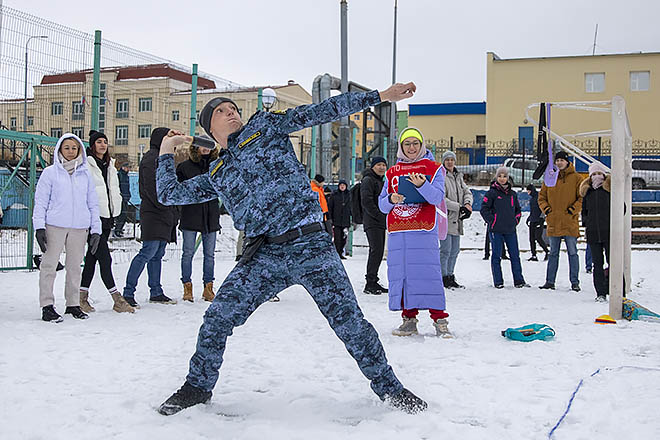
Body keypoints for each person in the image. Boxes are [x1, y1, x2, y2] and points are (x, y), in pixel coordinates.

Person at [154, 83, 427, 416]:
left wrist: (380, 97)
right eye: (223, 111)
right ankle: (197, 387)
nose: (232, 113)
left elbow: (321, 111)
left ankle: (392, 390)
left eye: (234, 109)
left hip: (311, 244)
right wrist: (167, 150)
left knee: (350, 323)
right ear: (210, 127)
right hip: (265, 255)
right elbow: (169, 194)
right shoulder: (217, 173)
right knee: (217, 317)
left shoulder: (266, 126)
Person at [378, 127, 452, 337]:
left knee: (428, 275)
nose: (411, 148)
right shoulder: (392, 171)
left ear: (422, 145)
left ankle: (440, 320)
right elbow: (382, 205)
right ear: (401, 146)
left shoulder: (434, 168)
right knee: (403, 276)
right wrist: (391, 200)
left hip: (423, 229)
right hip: (399, 231)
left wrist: (422, 185)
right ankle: (408, 319)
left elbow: (436, 197)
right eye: (407, 144)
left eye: (415, 144)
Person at [32, 133, 101, 322]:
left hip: (79, 228)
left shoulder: (85, 174)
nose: (70, 152)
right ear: (59, 150)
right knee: (49, 266)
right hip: (55, 225)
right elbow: (40, 202)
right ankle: (47, 305)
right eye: (66, 148)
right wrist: (39, 227)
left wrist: (96, 230)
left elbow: (93, 203)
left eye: (74, 148)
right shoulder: (50, 173)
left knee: (74, 268)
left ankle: (72, 304)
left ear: (79, 150)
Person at [122, 128, 179, 308]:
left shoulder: (164, 158)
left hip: (165, 212)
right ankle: (128, 292)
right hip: (154, 212)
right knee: (148, 251)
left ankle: (156, 291)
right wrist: (165, 204)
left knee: (157, 254)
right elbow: (150, 188)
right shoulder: (150, 158)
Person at [80, 130, 135, 314]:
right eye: (99, 142)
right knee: (105, 257)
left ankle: (81, 298)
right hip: (93, 218)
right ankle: (117, 299)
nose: (103, 145)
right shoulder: (86, 165)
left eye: (105, 142)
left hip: (107, 217)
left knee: (92, 258)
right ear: (92, 145)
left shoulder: (110, 165)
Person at [176, 139, 221, 303]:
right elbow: (179, 191)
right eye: (203, 145)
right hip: (191, 215)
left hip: (211, 215)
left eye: (209, 145)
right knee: (188, 252)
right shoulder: (184, 167)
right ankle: (187, 286)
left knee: (209, 254)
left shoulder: (217, 166)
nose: (206, 148)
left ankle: (208, 287)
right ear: (195, 147)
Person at [538, 151, 584, 291]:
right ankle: (550, 281)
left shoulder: (577, 178)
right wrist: (547, 210)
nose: (559, 163)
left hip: (569, 221)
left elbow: (581, 197)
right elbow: (541, 197)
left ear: (567, 161)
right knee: (553, 253)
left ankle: (575, 282)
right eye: (557, 160)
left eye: (561, 160)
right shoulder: (550, 177)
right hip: (554, 221)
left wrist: (572, 210)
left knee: (572, 253)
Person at [480, 167, 528, 288]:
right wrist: (493, 221)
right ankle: (498, 281)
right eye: (500, 176)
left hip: (510, 230)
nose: (502, 178)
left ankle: (519, 281)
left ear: (508, 178)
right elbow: (484, 209)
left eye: (504, 176)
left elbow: (518, 209)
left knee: (515, 255)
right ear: (496, 177)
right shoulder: (491, 193)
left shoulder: (513, 194)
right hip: (496, 230)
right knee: (496, 256)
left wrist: (515, 220)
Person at [439, 150, 473, 289]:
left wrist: (467, 204)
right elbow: (442, 199)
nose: (450, 162)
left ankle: (451, 275)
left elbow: (467, 192)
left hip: (457, 219)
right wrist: (459, 207)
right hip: (446, 219)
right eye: (447, 160)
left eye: (452, 160)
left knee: (455, 250)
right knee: (445, 250)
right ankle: (443, 276)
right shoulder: (441, 177)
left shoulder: (458, 176)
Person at [580, 163, 611, 302]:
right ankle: (600, 292)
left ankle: (617, 290)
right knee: (597, 264)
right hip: (593, 233)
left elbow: (621, 208)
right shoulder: (588, 192)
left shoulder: (610, 190)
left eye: (599, 174)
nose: (596, 177)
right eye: (593, 174)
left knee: (614, 263)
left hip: (609, 232)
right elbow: (584, 212)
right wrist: (588, 223)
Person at [361, 156, 389, 295]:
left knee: (377, 252)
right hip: (372, 222)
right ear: (372, 166)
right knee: (375, 251)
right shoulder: (368, 180)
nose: (382, 167)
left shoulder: (380, 181)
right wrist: (379, 215)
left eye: (384, 165)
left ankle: (374, 280)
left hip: (379, 222)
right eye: (379, 165)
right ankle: (370, 283)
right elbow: (366, 201)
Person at [328, 179, 351, 258]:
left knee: (344, 238)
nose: (342, 186)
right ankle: (337, 253)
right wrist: (330, 218)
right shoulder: (334, 195)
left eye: (343, 185)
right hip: (336, 220)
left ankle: (341, 252)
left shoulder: (349, 194)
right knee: (337, 238)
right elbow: (330, 207)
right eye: (341, 185)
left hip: (345, 220)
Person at [525, 183, 549, 261]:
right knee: (531, 238)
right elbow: (533, 211)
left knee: (538, 237)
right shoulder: (532, 199)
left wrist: (541, 219)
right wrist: (529, 218)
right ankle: (534, 255)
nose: (528, 193)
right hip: (532, 220)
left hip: (539, 220)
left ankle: (547, 251)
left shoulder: (539, 197)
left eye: (528, 191)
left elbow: (543, 209)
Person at [113, 162, 132, 237]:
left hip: (126, 198)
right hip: (121, 198)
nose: (128, 169)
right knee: (121, 215)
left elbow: (127, 187)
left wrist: (128, 195)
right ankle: (117, 230)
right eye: (127, 167)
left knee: (124, 215)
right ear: (123, 167)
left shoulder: (126, 176)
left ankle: (119, 229)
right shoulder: (119, 175)